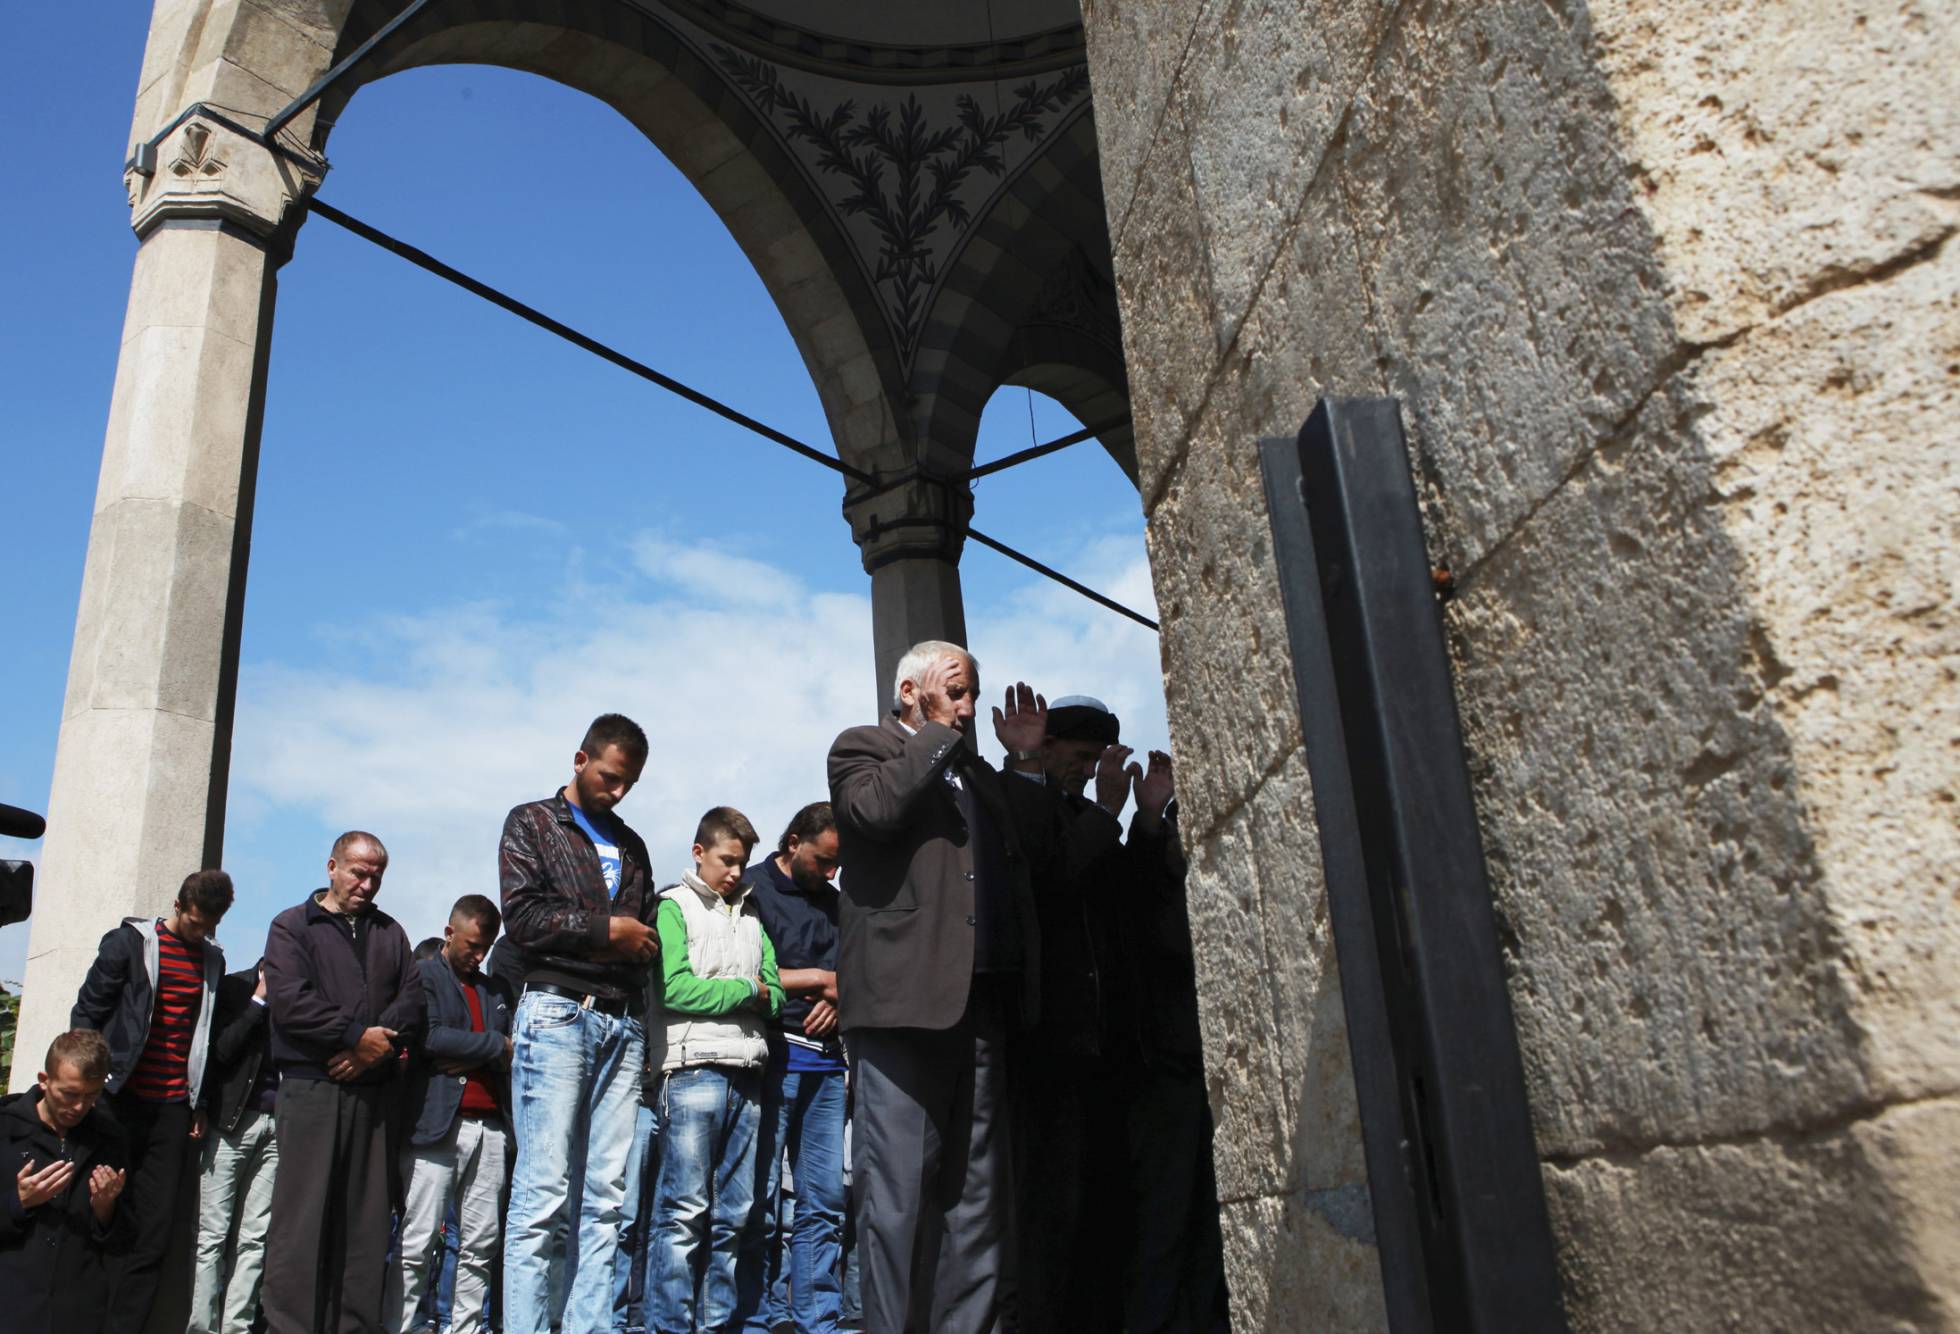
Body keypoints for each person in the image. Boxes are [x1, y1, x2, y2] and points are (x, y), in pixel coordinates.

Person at [826, 640, 1057, 1333]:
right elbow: (875, 813)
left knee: (977, 1209)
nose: (967, 707)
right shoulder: (861, 749)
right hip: (902, 1011)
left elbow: (1036, 859)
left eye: (972, 695)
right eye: (954, 691)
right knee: (896, 1204)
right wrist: (930, 735)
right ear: (909, 692)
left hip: (980, 1010)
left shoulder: (977, 774)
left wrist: (1022, 764)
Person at [500, 713, 660, 1334]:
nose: (617, 792)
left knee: (605, 1204)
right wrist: (606, 932)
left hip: (622, 1025)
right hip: (558, 1013)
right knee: (543, 1198)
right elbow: (523, 919)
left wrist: (619, 941)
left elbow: (643, 944)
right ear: (579, 759)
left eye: (629, 784)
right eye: (610, 777)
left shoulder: (634, 845)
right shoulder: (532, 822)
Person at [262, 830, 423, 1334]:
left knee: (366, 1225)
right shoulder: (292, 926)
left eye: (376, 875)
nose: (367, 883)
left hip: (372, 1094)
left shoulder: (390, 933)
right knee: (302, 1221)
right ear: (332, 866)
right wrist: (355, 1038)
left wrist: (371, 1053)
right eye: (358, 871)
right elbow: (290, 1001)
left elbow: (413, 1000)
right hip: (312, 1087)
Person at [69, 866, 231, 1331]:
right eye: (195, 922)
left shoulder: (212, 962)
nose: (200, 932)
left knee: (152, 1232)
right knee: (97, 1211)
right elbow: (88, 1012)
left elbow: (204, 1038)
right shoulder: (129, 945)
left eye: (209, 927)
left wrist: (198, 1102)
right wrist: (87, 1088)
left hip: (172, 1111)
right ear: (178, 905)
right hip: (116, 1101)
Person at [647, 806, 783, 1334]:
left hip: (747, 1073)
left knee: (735, 1215)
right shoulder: (672, 908)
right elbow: (675, 988)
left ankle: (718, 1325)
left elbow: (778, 999)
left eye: (743, 863)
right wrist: (746, 990)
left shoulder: (751, 915)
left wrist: (756, 994)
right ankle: (670, 1327)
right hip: (691, 1071)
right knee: (683, 1213)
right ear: (698, 852)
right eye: (727, 860)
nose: (735, 872)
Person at [735, 802, 847, 1334]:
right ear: (794, 841)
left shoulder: (839, 903)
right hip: (769, 1059)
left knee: (823, 1204)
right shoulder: (751, 890)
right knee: (757, 1203)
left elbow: (859, 971)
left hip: (828, 1068)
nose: (831, 873)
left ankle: (817, 1320)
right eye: (823, 860)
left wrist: (842, 997)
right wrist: (822, 980)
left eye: (836, 864)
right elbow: (746, 968)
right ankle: (755, 1318)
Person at [391, 895, 514, 1334]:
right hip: (437, 1126)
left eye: (486, 947)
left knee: (480, 1245)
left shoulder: (496, 989)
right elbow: (432, 1039)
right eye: (472, 945)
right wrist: (494, 1048)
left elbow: (515, 1048)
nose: (479, 955)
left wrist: (486, 1050)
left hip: (492, 1129)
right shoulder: (421, 975)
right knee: (417, 1243)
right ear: (449, 933)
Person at [0, 1029, 130, 1334]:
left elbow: (125, 1241)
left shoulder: (109, 1139)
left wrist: (105, 1210)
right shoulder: (5, 1128)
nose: (78, 1107)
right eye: (69, 1094)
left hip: (76, 1314)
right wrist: (18, 1203)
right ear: (44, 1080)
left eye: (91, 1096)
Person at [191, 958, 281, 1334]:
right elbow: (221, 1052)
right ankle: (200, 1327)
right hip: (231, 1124)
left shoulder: (304, 994)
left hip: (279, 1127)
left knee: (254, 1236)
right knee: (212, 1234)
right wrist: (258, 1002)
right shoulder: (232, 988)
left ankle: (236, 1328)